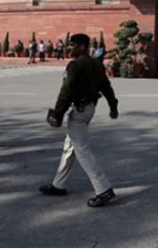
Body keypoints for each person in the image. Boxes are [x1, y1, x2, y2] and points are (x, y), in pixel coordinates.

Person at [40, 33, 120, 208]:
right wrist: (113, 106)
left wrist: (57, 113)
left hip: (80, 109)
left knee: (82, 150)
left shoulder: (75, 65)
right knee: (70, 147)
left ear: (83, 46)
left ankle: (103, 188)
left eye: (74, 45)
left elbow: (66, 90)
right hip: (89, 107)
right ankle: (58, 185)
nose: (71, 48)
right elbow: (106, 87)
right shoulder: (96, 64)